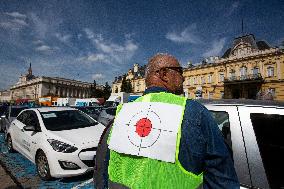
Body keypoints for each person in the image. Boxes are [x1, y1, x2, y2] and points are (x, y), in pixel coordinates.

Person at [94, 53, 239, 189]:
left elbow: (101, 171)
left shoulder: (122, 113)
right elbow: (222, 180)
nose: (183, 78)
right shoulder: (194, 112)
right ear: (164, 74)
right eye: (179, 72)